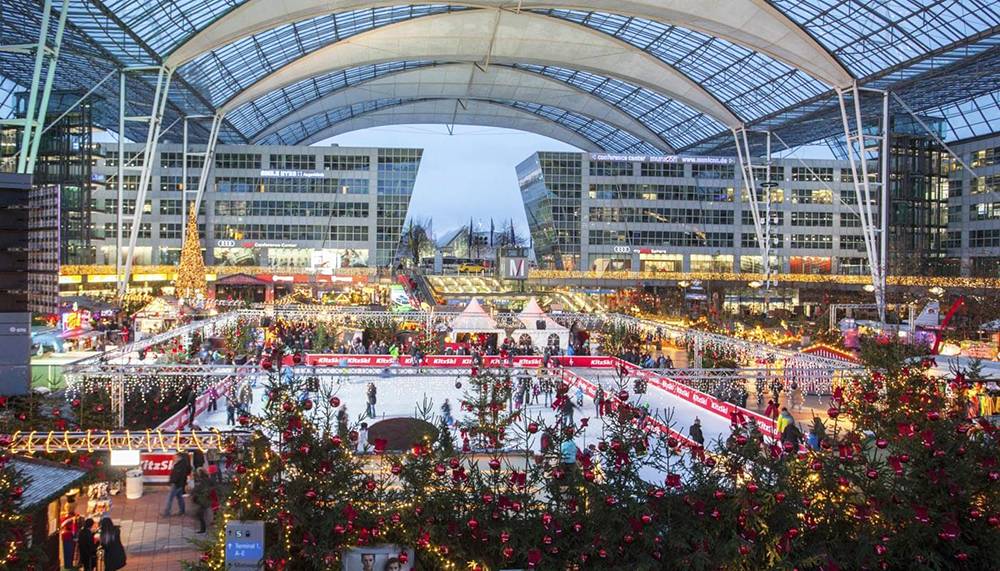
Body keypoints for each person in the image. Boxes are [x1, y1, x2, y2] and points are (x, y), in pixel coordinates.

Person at [162, 451, 191, 517]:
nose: (174, 458)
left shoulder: (179, 466)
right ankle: (182, 511)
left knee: (170, 498)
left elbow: (175, 476)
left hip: (176, 484)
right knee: (180, 497)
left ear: (179, 457)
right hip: (180, 484)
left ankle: (167, 512)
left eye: (176, 457)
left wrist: (171, 482)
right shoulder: (183, 464)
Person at [191, 468, 212, 533]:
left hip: (203, 500)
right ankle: (204, 528)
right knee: (201, 513)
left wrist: (194, 492)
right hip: (204, 499)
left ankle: (203, 529)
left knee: (200, 514)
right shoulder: (207, 479)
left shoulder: (202, 481)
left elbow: (197, 489)